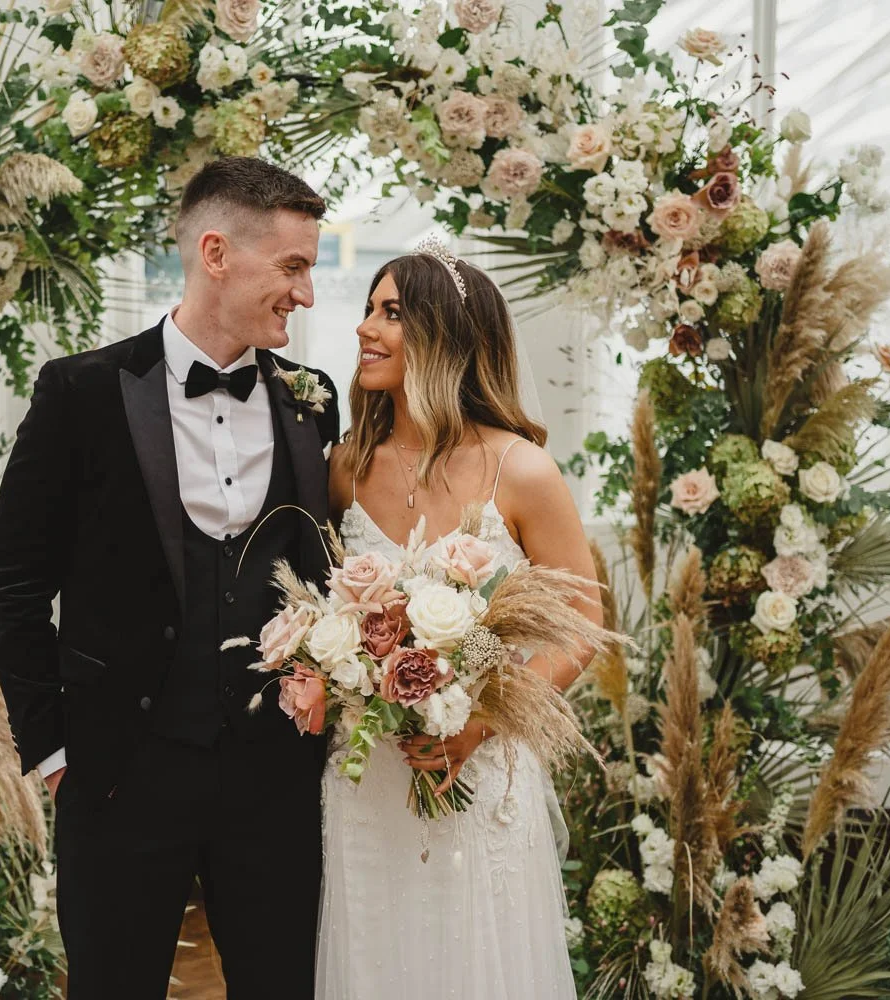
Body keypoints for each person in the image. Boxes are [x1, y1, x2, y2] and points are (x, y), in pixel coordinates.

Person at [0, 156, 340, 1000]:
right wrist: (56, 750)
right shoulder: (82, 392)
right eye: (291, 267)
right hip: (119, 775)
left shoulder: (313, 397)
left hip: (274, 784)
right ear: (216, 253)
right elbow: (15, 586)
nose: (307, 294)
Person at [317, 245, 600, 999]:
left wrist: (480, 720)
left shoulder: (523, 471)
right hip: (368, 773)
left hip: (480, 771)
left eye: (392, 314)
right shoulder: (344, 466)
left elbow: (583, 626)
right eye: (368, 310)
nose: (364, 330)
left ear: (445, 336)